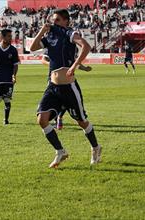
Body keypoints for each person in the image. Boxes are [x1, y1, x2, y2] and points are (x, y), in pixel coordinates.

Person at [30, 9, 102, 168]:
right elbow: (32, 47)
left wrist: (75, 66)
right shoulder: (49, 36)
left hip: (69, 87)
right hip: (52, 87)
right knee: (41, 120)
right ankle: (60, 151)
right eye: (52, 20)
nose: (53, 23)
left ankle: (96, 148)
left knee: (82, 122)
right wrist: (42, 30)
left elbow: (86, 46)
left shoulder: (69, 33)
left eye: (56, 20)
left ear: (65, 21)